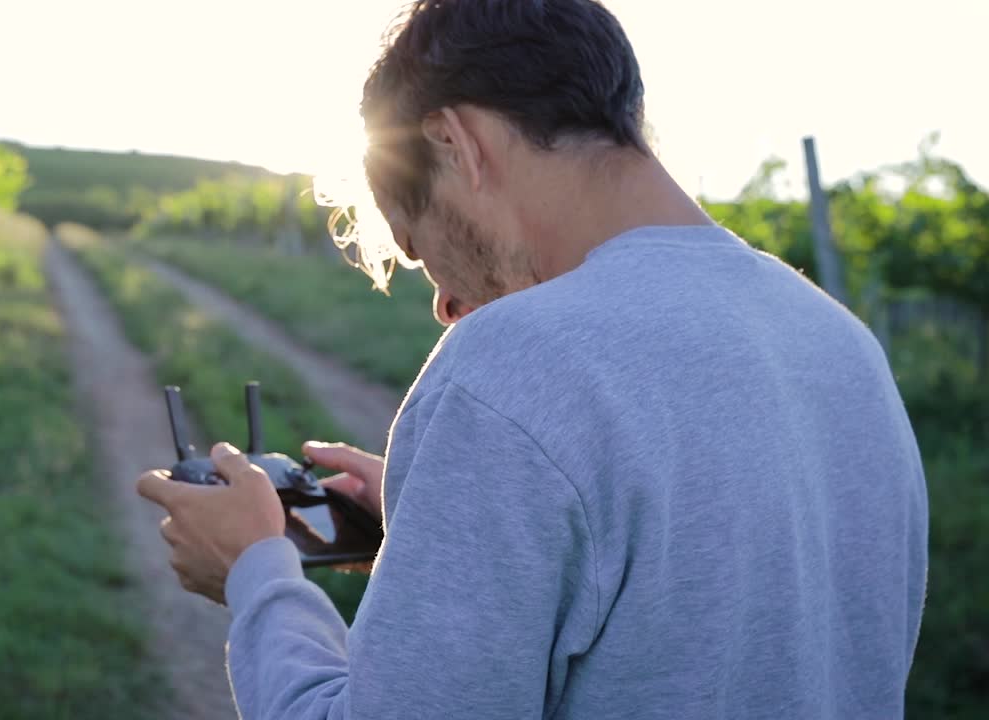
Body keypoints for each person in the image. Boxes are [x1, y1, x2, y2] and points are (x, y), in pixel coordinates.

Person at [137, 1, 929, 717]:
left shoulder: (512, 367)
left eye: (420, 248)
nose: (445, 305)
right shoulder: (842, 347)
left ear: (457, 143)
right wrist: (446, 537)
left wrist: (257, 575)